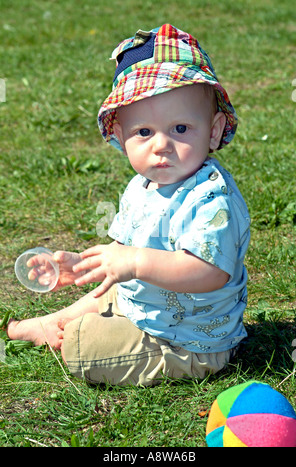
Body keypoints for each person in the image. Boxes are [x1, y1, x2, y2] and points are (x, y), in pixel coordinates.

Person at [6, 24, 250, 386]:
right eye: (144, 132)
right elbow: (123, 251)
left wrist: (135, 263)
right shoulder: (141, 186)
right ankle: (51, 322)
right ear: (121, 136)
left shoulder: (212, 199)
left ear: (213, 130)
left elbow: (210, 271)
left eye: (181, 129)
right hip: (147, 302)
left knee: (82, 345)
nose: (162, 145)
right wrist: (80, 267)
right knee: (104, 293)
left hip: (189, 339)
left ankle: (71, 332)